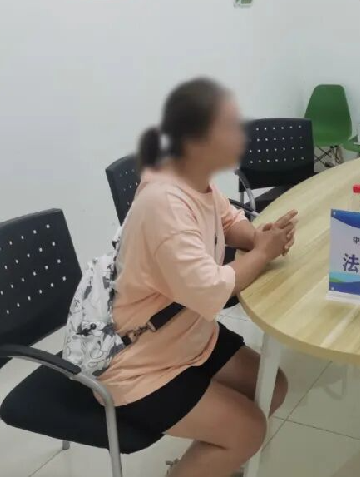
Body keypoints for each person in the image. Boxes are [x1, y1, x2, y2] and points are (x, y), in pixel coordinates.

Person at [98, 78, 296, 477]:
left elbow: (230, 220)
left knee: (271, 387)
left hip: (187, 334)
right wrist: (262, 253)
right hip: (141, 362)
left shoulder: (194, 178)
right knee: (249, 430)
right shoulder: (165, 204)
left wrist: (260, 237)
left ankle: (205, 466)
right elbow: (213, 290)